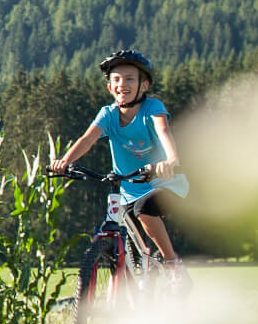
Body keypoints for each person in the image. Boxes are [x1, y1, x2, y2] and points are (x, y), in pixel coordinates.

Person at [46, 48, 189, 268]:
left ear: (144, 85)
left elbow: (164, 131)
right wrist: (65, 162)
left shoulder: (152, 108)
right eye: (117, 79)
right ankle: (139, 274)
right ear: (110, 87)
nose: (123, 84)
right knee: (129, 243)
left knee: (143, 209)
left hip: (165, 184)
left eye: (130, 79)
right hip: (128, 191)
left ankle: (172, 262)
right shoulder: (108, 114)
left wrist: (171, 161)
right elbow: (87, 139)